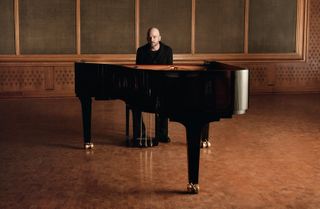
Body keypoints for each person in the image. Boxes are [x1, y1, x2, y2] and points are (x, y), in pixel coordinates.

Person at [131, 27, 173, 147]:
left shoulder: (167, 51)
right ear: (147, 38)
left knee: (164, 102)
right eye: (150, 37)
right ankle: (140, 134)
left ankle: (162, 134)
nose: (152, 39)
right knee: (135, 102)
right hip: (145, 87)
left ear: (159, 38)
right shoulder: (141, 51)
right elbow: (138, 72)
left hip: (162, 87)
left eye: (155, 37)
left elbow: (169, 71)